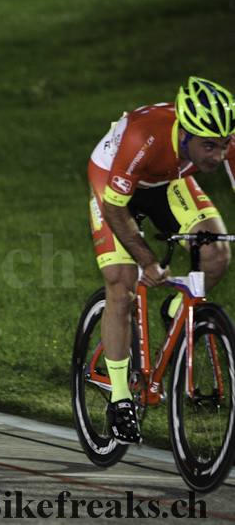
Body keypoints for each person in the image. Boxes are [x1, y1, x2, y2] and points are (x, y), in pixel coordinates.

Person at [87, 76, 235, 445]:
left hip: (167, 181)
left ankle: (174, 312)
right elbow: (115, 208)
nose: (218, 156)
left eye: (224, 145)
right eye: (209, 146)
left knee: (216, 254)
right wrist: (147, 259)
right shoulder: (145, 135)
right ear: (184, 134)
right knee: (122, 284)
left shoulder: (222, 139)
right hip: (113, 184)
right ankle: (121, 398)